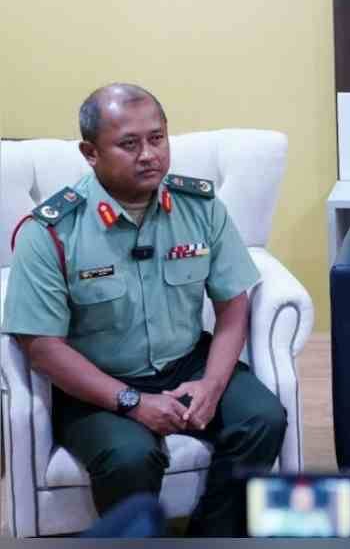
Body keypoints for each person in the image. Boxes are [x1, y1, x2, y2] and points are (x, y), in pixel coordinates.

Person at [1, 83, 287, 536]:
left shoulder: (201, 208)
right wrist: (131, 401)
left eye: (157, 138)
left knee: (263, 418)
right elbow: (41, 346)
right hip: (97, 383)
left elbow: (233, 303)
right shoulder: (52, 231)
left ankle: (213, 535)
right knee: (130, 457)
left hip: (187, 359)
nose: (149, 154)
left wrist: (212, 384)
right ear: (90, 152)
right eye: (129, 144)